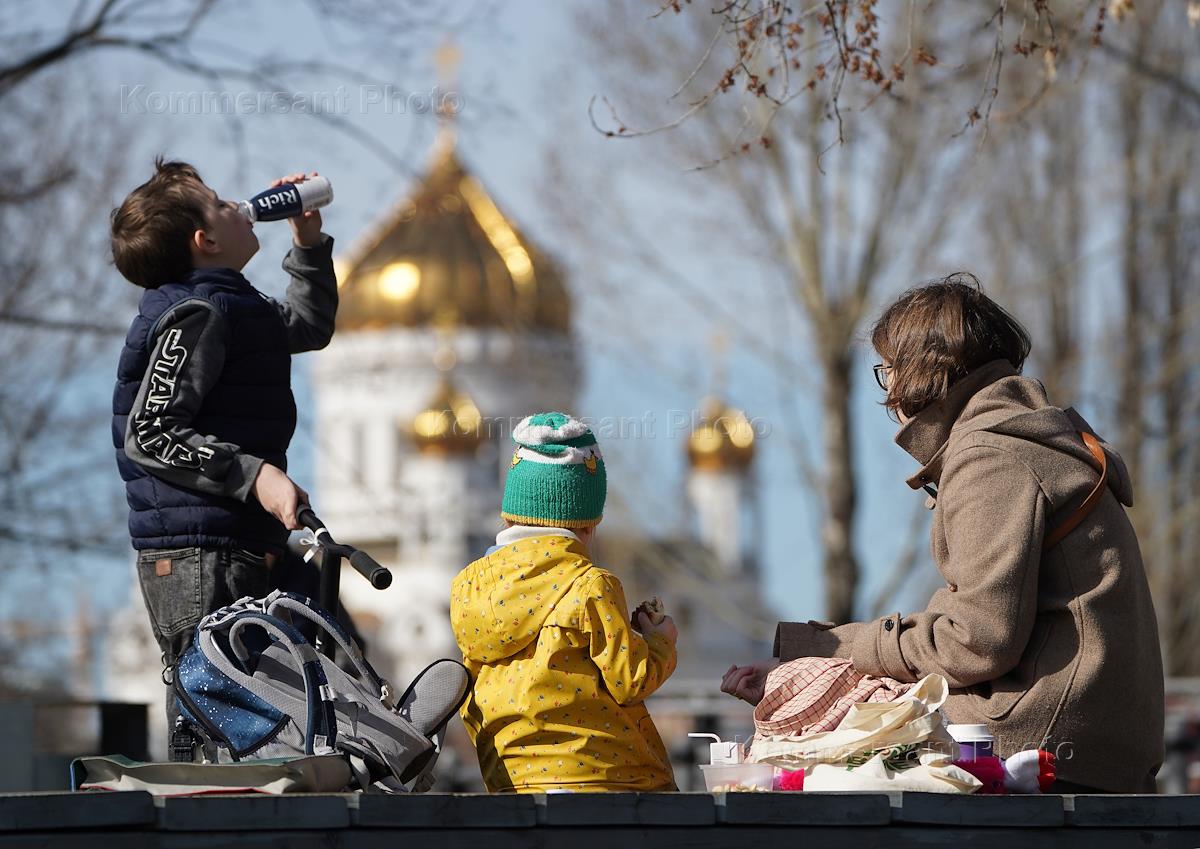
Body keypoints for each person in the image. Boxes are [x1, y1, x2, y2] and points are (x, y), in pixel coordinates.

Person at [723, 274, 1164, 794]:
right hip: (1085, 733)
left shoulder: (991, 457)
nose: (887, 391)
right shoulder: (1030, 439)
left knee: (811, 746)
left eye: (888, 370)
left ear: (923, 373)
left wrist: (822, 656)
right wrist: (815, 656)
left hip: (1040, 738)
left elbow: (975, 642)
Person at [110, 159, 335, 742]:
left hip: (236, 542)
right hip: (199, 554)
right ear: (205, 240)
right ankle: (205, 798)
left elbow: (308, 326)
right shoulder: (196, 314)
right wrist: (256, 477)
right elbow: (150, 432)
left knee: (258, 702)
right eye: (219, 203)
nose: (239, 204)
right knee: (216, 706)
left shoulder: (236, 305)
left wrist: (307, 244)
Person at [450, 412, 678, 792]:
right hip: (605, 783)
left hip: (512, 783)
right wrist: (660, 642)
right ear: (587, 524)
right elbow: (631, 679)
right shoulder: (591, 586)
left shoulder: (468, 588)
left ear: (509, 517)